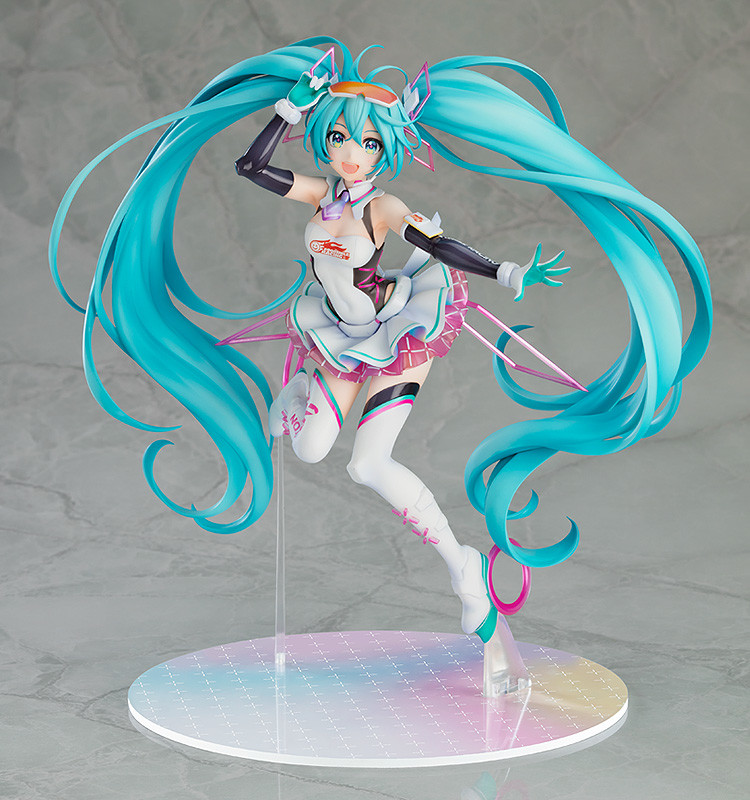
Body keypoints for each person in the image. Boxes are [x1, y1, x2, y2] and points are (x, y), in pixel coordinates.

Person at [49, 37, 712, 644]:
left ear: (385, 147)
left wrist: (507, 271)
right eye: (339, 136)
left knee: (367, 466)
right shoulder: (320, 194)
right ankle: (298, 388)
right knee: (309, 449)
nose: (350, 152)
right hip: (339, 338)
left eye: (365, 142)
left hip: (396, 333)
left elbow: (440, 246)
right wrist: (289, 110)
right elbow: (250, 166)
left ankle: (463, 569)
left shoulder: (382, 208)